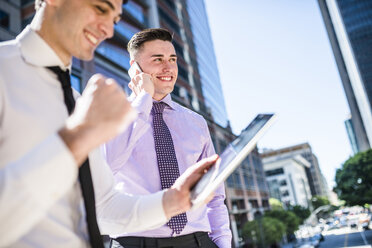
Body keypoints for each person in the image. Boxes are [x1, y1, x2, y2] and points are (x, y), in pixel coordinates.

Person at [0, 1, 218, 247]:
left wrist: (174, 200)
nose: (109, 31)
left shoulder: (76, 100)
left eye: (114, 20)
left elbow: (103, 208)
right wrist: (78, 137)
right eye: (100, 9)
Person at [104, 28, 232, 248]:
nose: (168, 67)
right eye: (158, 59)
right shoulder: (111, 115)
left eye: (172, 59)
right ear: (135, 68)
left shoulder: (196, 123)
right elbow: (107, 166)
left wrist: (222, 243)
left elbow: (214, 194)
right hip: (134, 242)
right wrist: (143, 102)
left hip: (197, 241)